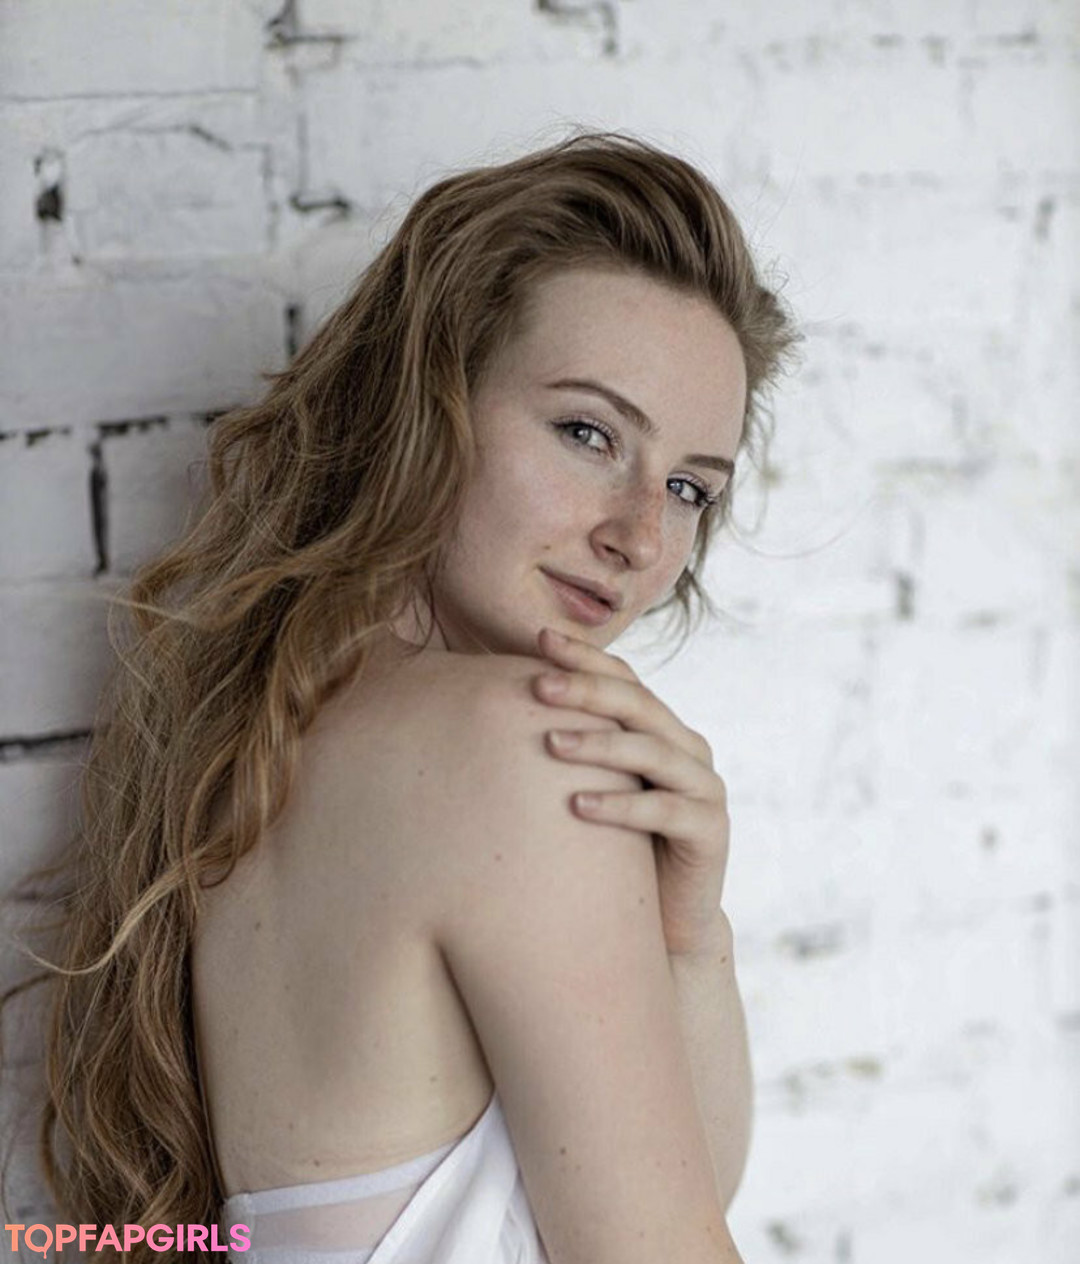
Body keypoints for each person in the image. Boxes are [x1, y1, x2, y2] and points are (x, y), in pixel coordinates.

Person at [4, 130, 800, 1263]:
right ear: (428, 403)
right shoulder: (515, 748)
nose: (638, 534)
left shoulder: (266, 731)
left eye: (687, 487)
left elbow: (673, 1187)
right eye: (588, 433)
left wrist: (692, 937)